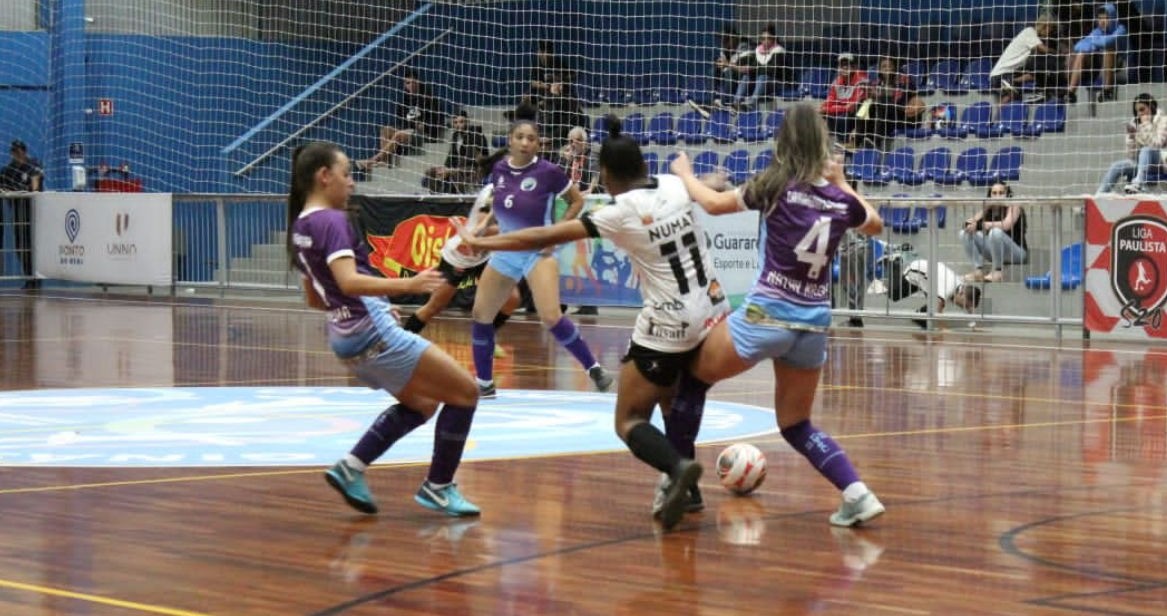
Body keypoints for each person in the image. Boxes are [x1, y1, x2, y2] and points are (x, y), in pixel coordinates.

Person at [457, 115, 727, 530]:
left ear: (606, 175)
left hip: (669, 320)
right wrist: (702, 175)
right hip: (712, 310)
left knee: (629, 420)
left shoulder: (618, 212)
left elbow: (539, 237)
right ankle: (687, 490)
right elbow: (716, 187)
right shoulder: (673, 186)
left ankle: (678, 470)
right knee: (672, 399)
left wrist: (482, 241)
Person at [669, 102, 887, 528]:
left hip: (766, 315)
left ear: (783, 141)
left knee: (691, 379)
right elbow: (875, 224)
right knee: (796, 423)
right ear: (821, 142)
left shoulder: (775, 184)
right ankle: (857, 494)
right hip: (814, 325)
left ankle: (680, 483)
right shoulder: (840, 198)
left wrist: (685, 176)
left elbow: (712, 205)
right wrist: (843, 183)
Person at [287, 141, 481, 517]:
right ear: (324, 176)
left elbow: (317, 297)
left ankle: (351, 467)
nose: (352, 184)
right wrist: (406, 286)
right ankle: (439, 486)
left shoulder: (300, 226)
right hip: (375, 336)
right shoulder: (332, 221)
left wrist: (375, 303)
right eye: (347, 174)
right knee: (466, 394)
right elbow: (347, 281)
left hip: (345, 340)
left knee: (422, 403)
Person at [468, 104, 612, 398]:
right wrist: (483, 226)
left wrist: (556, 233)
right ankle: (484, 384)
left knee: (551, 316)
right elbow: (499, 201)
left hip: (539, 251)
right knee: (481, 314)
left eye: (531, 138)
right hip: (507, 250)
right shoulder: (499, 170)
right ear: (510, 140)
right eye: (520, 137)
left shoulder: (549, 172)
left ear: (538, 143)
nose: (525, 142)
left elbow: (576, 202)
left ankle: (594, 368)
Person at [404, 149, 521, 357]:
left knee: (512, 298)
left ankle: (486, 339)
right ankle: (401, 341)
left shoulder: (515, 192)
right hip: (461, 255)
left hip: (483, 255)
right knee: (434, 307)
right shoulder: (493, 193)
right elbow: (484, 231)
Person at [359, 69, 444, 170]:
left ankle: (373, 160)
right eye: (408, 83)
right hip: (409, 132)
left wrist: (424, 126)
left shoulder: (429, 99)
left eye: (413, 82)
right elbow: (401, 121)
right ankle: (384, 161)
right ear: (405, 85)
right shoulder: (405, 101)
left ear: (418, 82)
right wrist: (409, 126)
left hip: (425, 135)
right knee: (385, 130)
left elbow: (437, 122)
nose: (411, 85)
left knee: (399, 135)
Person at [559, 126, 600, 316]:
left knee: (584, 260)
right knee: (567, 258)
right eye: (569, 141)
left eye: (575, 141)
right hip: (570, 206)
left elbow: (595, 183)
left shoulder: (593, 156)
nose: (571, 145)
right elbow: (559, 179)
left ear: (584, 141)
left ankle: (588, 303)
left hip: (588, 207)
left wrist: (586, 192)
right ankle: (563, 301)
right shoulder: (568, 159)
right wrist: (563, 160)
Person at [1095, 93, 1167, 195]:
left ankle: (1138, 183)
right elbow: (1131, 156)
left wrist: (1146, 124)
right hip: (1142, 163)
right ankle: (1099, 195)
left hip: (1161, 162)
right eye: (1137, 111)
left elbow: (1157, 145)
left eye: (1142, 109)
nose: (1139, 114)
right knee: (1117, 166)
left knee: (1147, 149)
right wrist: (1132, 138)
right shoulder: (1136, 122)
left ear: (1151, 107)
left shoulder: (1163, 120)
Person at [851, 56, 927, 151]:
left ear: (894, 67)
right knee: (864, 103)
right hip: (885, 116)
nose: (887, 69)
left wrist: (880, 95)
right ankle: (857, 140)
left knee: (881, 103)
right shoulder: (877, 83)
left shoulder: (903, 79)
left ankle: (876, 142)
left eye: (889, 66)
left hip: (902, 114)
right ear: (879, 70)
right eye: (884, 66)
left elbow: (902, 100)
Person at [960, 182, 1028, 283]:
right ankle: (979, 270)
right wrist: (985, 208)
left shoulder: (1014, 206)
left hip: (1016, 253)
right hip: (996, 251)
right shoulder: (989, 209)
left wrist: (980, 225)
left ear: (1007, 194)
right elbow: (968, 224)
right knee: (964, 233)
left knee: (995, 232)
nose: (997, 196)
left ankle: (997, 271)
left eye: (1001, 193)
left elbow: (1006, 225)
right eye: (994, 193)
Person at [0, 139, 43, 290]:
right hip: (18, 214)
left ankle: (36, 277)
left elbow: (36, 185)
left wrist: (33, 188)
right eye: (14, 152)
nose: (16, 154)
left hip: (33, 212)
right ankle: (29, 276)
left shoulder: (33, 166)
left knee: (33, 246)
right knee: (20, 246)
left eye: (19, 151)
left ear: (24, 152)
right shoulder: (8, 170)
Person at [990, 17, 1062, 104]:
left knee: (1014, 99)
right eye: (1051, 29)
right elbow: (1043, 50)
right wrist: (1059, 53)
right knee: (1012, 95)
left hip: (1012, 74)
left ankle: (1013, 82)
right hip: (1000, 75)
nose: (1050, 33)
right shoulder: (1029, 32)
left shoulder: (1034, 39)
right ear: (1045, 26)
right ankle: (998, 116)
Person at [895, 259, 983, 329]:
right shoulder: (948, 288)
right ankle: (892, 266)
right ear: (962, 293)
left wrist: (973, 325)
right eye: (965, 305)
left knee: (931, 309)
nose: (963, 307)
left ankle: (919, 316)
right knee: (894, 295)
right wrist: (944, 328)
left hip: (929, 277)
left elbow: (969, 307)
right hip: (914, 271)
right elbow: (938, 310)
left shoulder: (962, 287)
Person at [1065, 3, 1127, 103]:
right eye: (1100, 18)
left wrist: (1093, 43)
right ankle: (1071, 92)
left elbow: (1107, 42)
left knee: (1108, 49)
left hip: (1123, 67)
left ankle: (1108, 90)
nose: (1102, 21)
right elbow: (1079, 46)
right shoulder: (1097, 31)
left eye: (1106, 18)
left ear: (1113, 18)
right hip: (1101, 67)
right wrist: (1093, 43)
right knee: (1081, 53)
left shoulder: (1121, 29)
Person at [423, 109, 488, 194]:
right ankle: (436, 197)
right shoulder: (455, 136)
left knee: (453, 174)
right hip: (458, 169)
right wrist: (444, 168)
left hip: (474, 169)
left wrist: (452, 170)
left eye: (461, 122)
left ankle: (459, 199)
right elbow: (451, 156)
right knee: (431, 171)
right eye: (455, 122)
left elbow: (474, 161)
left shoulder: (476, 136)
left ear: (467, 122)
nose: (458, 125)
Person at [821, 53, 867, 141]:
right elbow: (826, 105)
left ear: (854, 67)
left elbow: (853, 106)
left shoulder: (862, 80)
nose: (845, 68)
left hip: (857, 116)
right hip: (842, 112)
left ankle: (853, 141)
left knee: (848, 114)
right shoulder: (836, 82)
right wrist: (840, 108)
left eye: (848, 65)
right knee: (822, 114)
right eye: (842, 65)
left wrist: (834, 108)